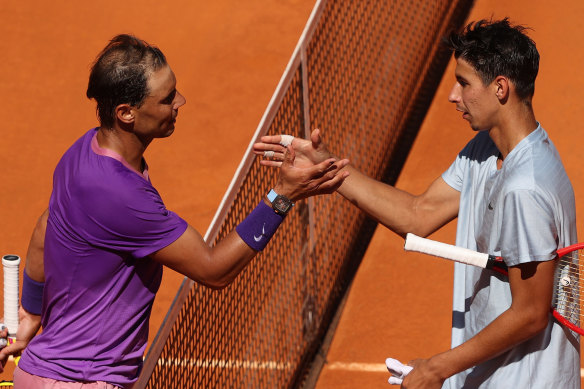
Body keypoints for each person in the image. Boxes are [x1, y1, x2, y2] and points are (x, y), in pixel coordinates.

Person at [0, 34, 350, 388]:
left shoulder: (81, 153)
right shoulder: (121, 195)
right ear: (126, 113)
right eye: (167, 99)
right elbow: (214, 271)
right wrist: (283, 194)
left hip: (39, 373)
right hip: (80, 382)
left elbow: (46, 227)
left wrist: (31, 312)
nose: (179, 103)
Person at [253, 18, 580, 388]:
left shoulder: (526, 188)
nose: (454, 96)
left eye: (464, 83)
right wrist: (329, 168)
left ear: (500, 88)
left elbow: (531, 313)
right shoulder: (487, 151)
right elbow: (418, 214)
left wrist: (437, 368)